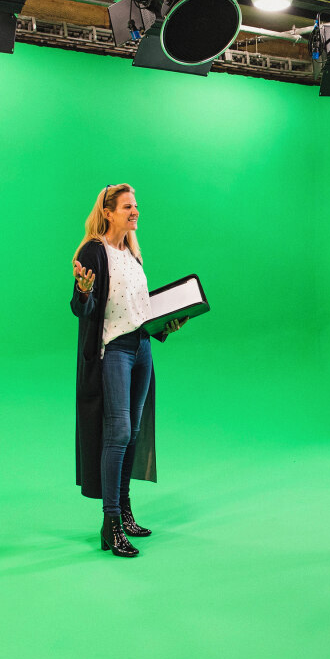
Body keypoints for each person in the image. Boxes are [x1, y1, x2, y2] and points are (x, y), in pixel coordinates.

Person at [71, 184, 183, 558]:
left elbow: (140, 309)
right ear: (108, 212)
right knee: (117, 431)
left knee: (133, 430)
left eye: (136, 206)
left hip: (142, 347)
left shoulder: (133, 255)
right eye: (127, 207)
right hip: (114, 350)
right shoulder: (94, 251)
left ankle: (127, 509)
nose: (135, 212)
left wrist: (164, 325)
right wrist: (84, 292)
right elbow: (80, 306)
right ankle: (111, 523)